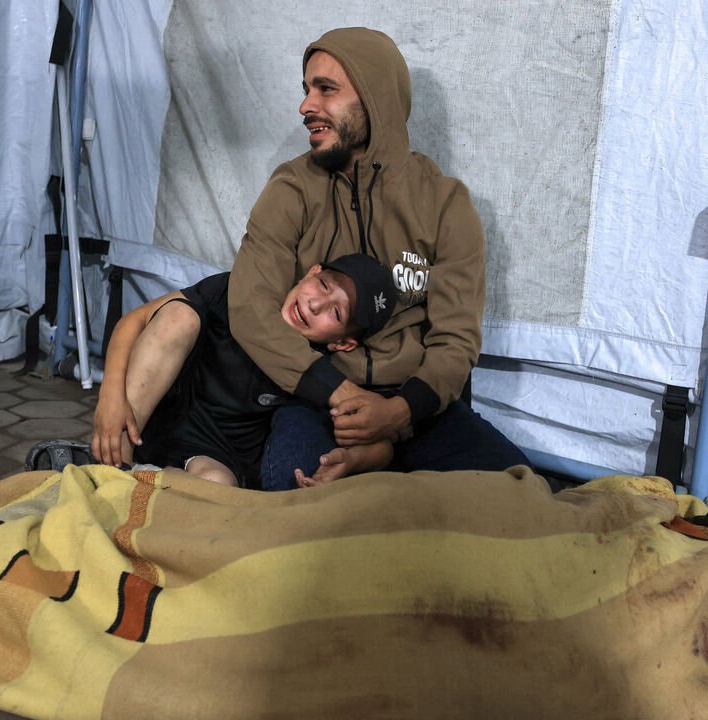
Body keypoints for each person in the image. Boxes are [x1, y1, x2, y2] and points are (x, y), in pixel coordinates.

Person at [226, 27, 529, 490]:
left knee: (518, 496)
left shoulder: (445, 204)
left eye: (326, 89)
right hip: (319, 399)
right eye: (307, 89)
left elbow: (456, 340)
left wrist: (399, 413)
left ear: (375, 98)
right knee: (293, 504)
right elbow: (250, 309)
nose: (307, 106)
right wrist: (341, 394)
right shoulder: (292, 188)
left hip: (418, 406)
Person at [87, 253, 399, 488]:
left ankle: (139, 482)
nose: (316, 305)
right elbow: (135, 320)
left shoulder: (321, 373)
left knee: (217, 487)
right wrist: (110, 397)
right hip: (151, 421)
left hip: (216, 456)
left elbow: (381, 442)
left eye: (336, 311)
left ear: (343, 343)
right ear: (310, 273)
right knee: (179, 315)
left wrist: (350, 460)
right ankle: (112, 464)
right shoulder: (239, 294)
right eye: (323, 285)